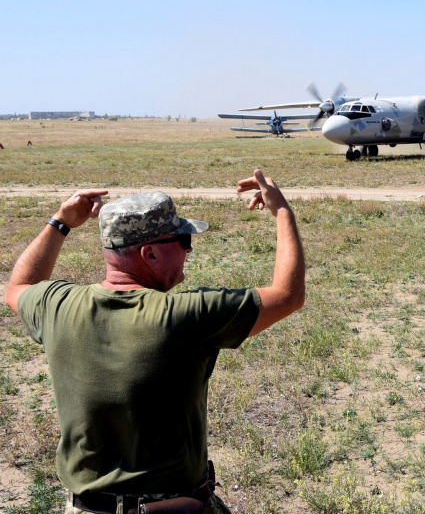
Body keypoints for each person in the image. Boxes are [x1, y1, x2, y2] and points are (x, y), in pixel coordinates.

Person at [3, 169, 305, 514]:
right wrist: (282, 211)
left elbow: (17, 287)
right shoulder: (186, 316)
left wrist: (60, 222)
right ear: (150, 254)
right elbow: (288, 294)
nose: (189, 251)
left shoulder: (58, 306)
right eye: (184, 242)